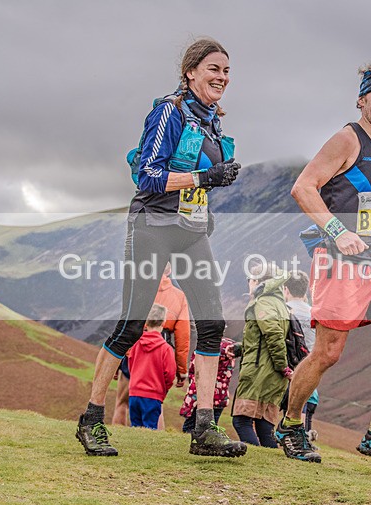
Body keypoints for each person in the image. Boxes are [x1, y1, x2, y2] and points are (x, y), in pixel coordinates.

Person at [75, 37, 247, 458]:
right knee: (132, 325)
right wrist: (205, 178)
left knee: (212, 323)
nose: (222, 77)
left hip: (190, 231)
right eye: (214, 69)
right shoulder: (169, 112)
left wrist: (207, 197)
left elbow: (194, 181)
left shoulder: (211, 122)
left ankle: (204, 428)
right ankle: (91, 421)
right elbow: (148, 177)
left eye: (226, 71)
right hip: (152, 226)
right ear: (190, 72)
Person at [279, 63, 371, 464]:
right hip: (339, 261)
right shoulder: (346, 140)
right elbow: (303, 187)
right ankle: (290, 424)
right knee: (327, 353)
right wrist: (339, 230)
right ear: (362, 100)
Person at [112, 264, 191, 427]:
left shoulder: (139, 290)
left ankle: (121, 437)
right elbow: (183, 336)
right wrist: (181, 369)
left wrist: (116, 359)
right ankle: (154, 438)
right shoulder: (179, 296)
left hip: (133, 345)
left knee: (121, 402)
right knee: (156, 403)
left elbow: (125, 323)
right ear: (169, 270)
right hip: (161, 345)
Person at [231, 264, 292, 448]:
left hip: (260, 371)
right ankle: (269, 460)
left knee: (241, 420)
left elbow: (273, 333)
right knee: (264, 425)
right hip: (272, 374)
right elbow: (263, 339)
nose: (248, 283)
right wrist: (240, 349)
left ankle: (252, 460)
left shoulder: (263, 302)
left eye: (249, 280)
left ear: (257, 281)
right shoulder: (280, 304)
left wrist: (282, 366)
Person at [127, 304, 176, 429]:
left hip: (134, 393)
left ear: (146, 322)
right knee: (150, 429)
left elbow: (131, 365)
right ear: (163, 323)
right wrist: (163, 389)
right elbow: (170, 374)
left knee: (135, 428)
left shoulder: (136, 344)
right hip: (153, 395)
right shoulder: (166, 349)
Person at [283, 271, 319, 439]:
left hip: (288, 369)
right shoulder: (314, 313)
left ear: (286, 289)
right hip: (311, 369)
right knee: (306, 407)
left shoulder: (284, 311)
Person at [180, 337, 238, 433]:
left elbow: (193, 371)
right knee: (212, 427)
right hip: (220, 397)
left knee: (190, 427)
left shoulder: (206, 348)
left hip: (201, 396)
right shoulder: (230, 352)